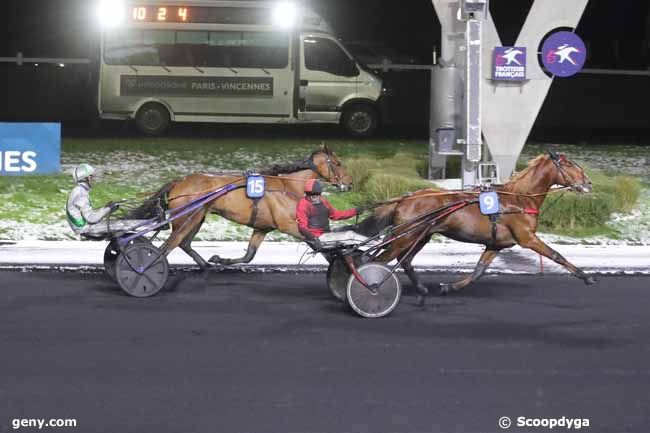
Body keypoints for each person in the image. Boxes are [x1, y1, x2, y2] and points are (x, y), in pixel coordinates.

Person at [66, 163, 150, 238]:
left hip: (84, 226)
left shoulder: (79, 190)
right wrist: (108, 209)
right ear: (87, 178)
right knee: (123, 224)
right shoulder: (80, 193)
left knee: (122, 223)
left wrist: (105, 208)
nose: (94, 179)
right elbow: (91, 219)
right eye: (92, 177)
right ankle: (150, 224)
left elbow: (89, 215)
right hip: (85, 228)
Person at [296, 179, 368, 250]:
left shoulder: (323, 201)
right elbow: (302, 227)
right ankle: (375, 243)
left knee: (351, 229)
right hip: (318, 238)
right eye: (310, 194)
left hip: (327, 234)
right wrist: (314, 239)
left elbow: (336, 215)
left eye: (316, 194)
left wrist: (355, 211)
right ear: (306, 194)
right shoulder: (303, 205)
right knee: (349, 235)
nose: (313, 197)